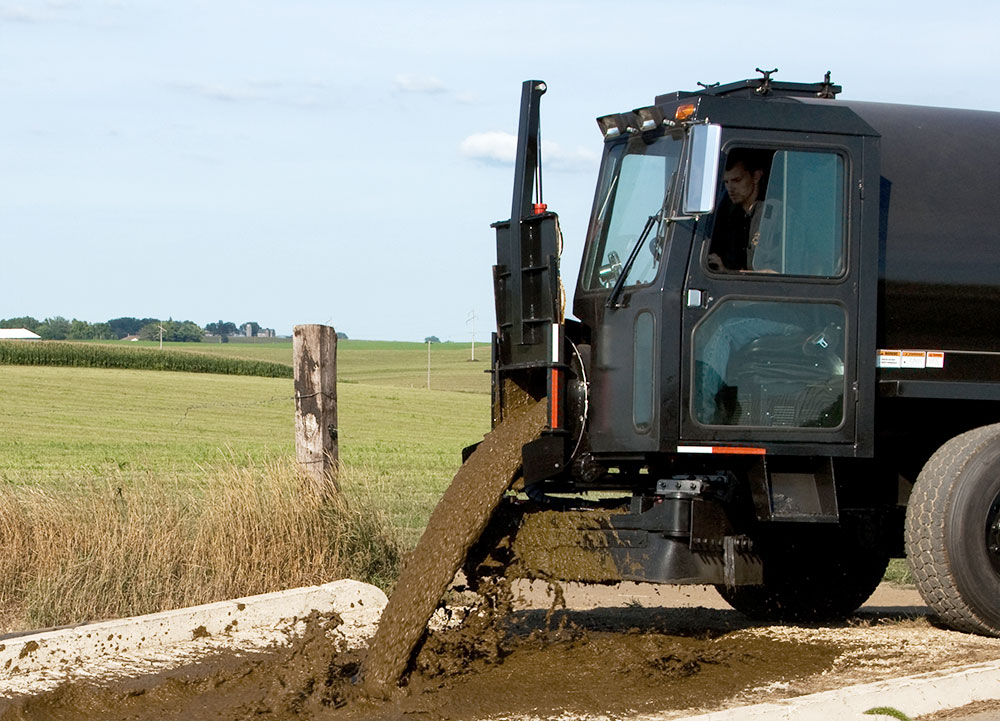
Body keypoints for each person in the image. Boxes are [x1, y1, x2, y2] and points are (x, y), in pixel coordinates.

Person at [707, 151, 769, 272]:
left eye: (737, 180)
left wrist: (729, 273)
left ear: (756, 176)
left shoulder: (774, 217)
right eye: (726, 182)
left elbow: (776, 273)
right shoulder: (731, 220)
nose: (730, 189)